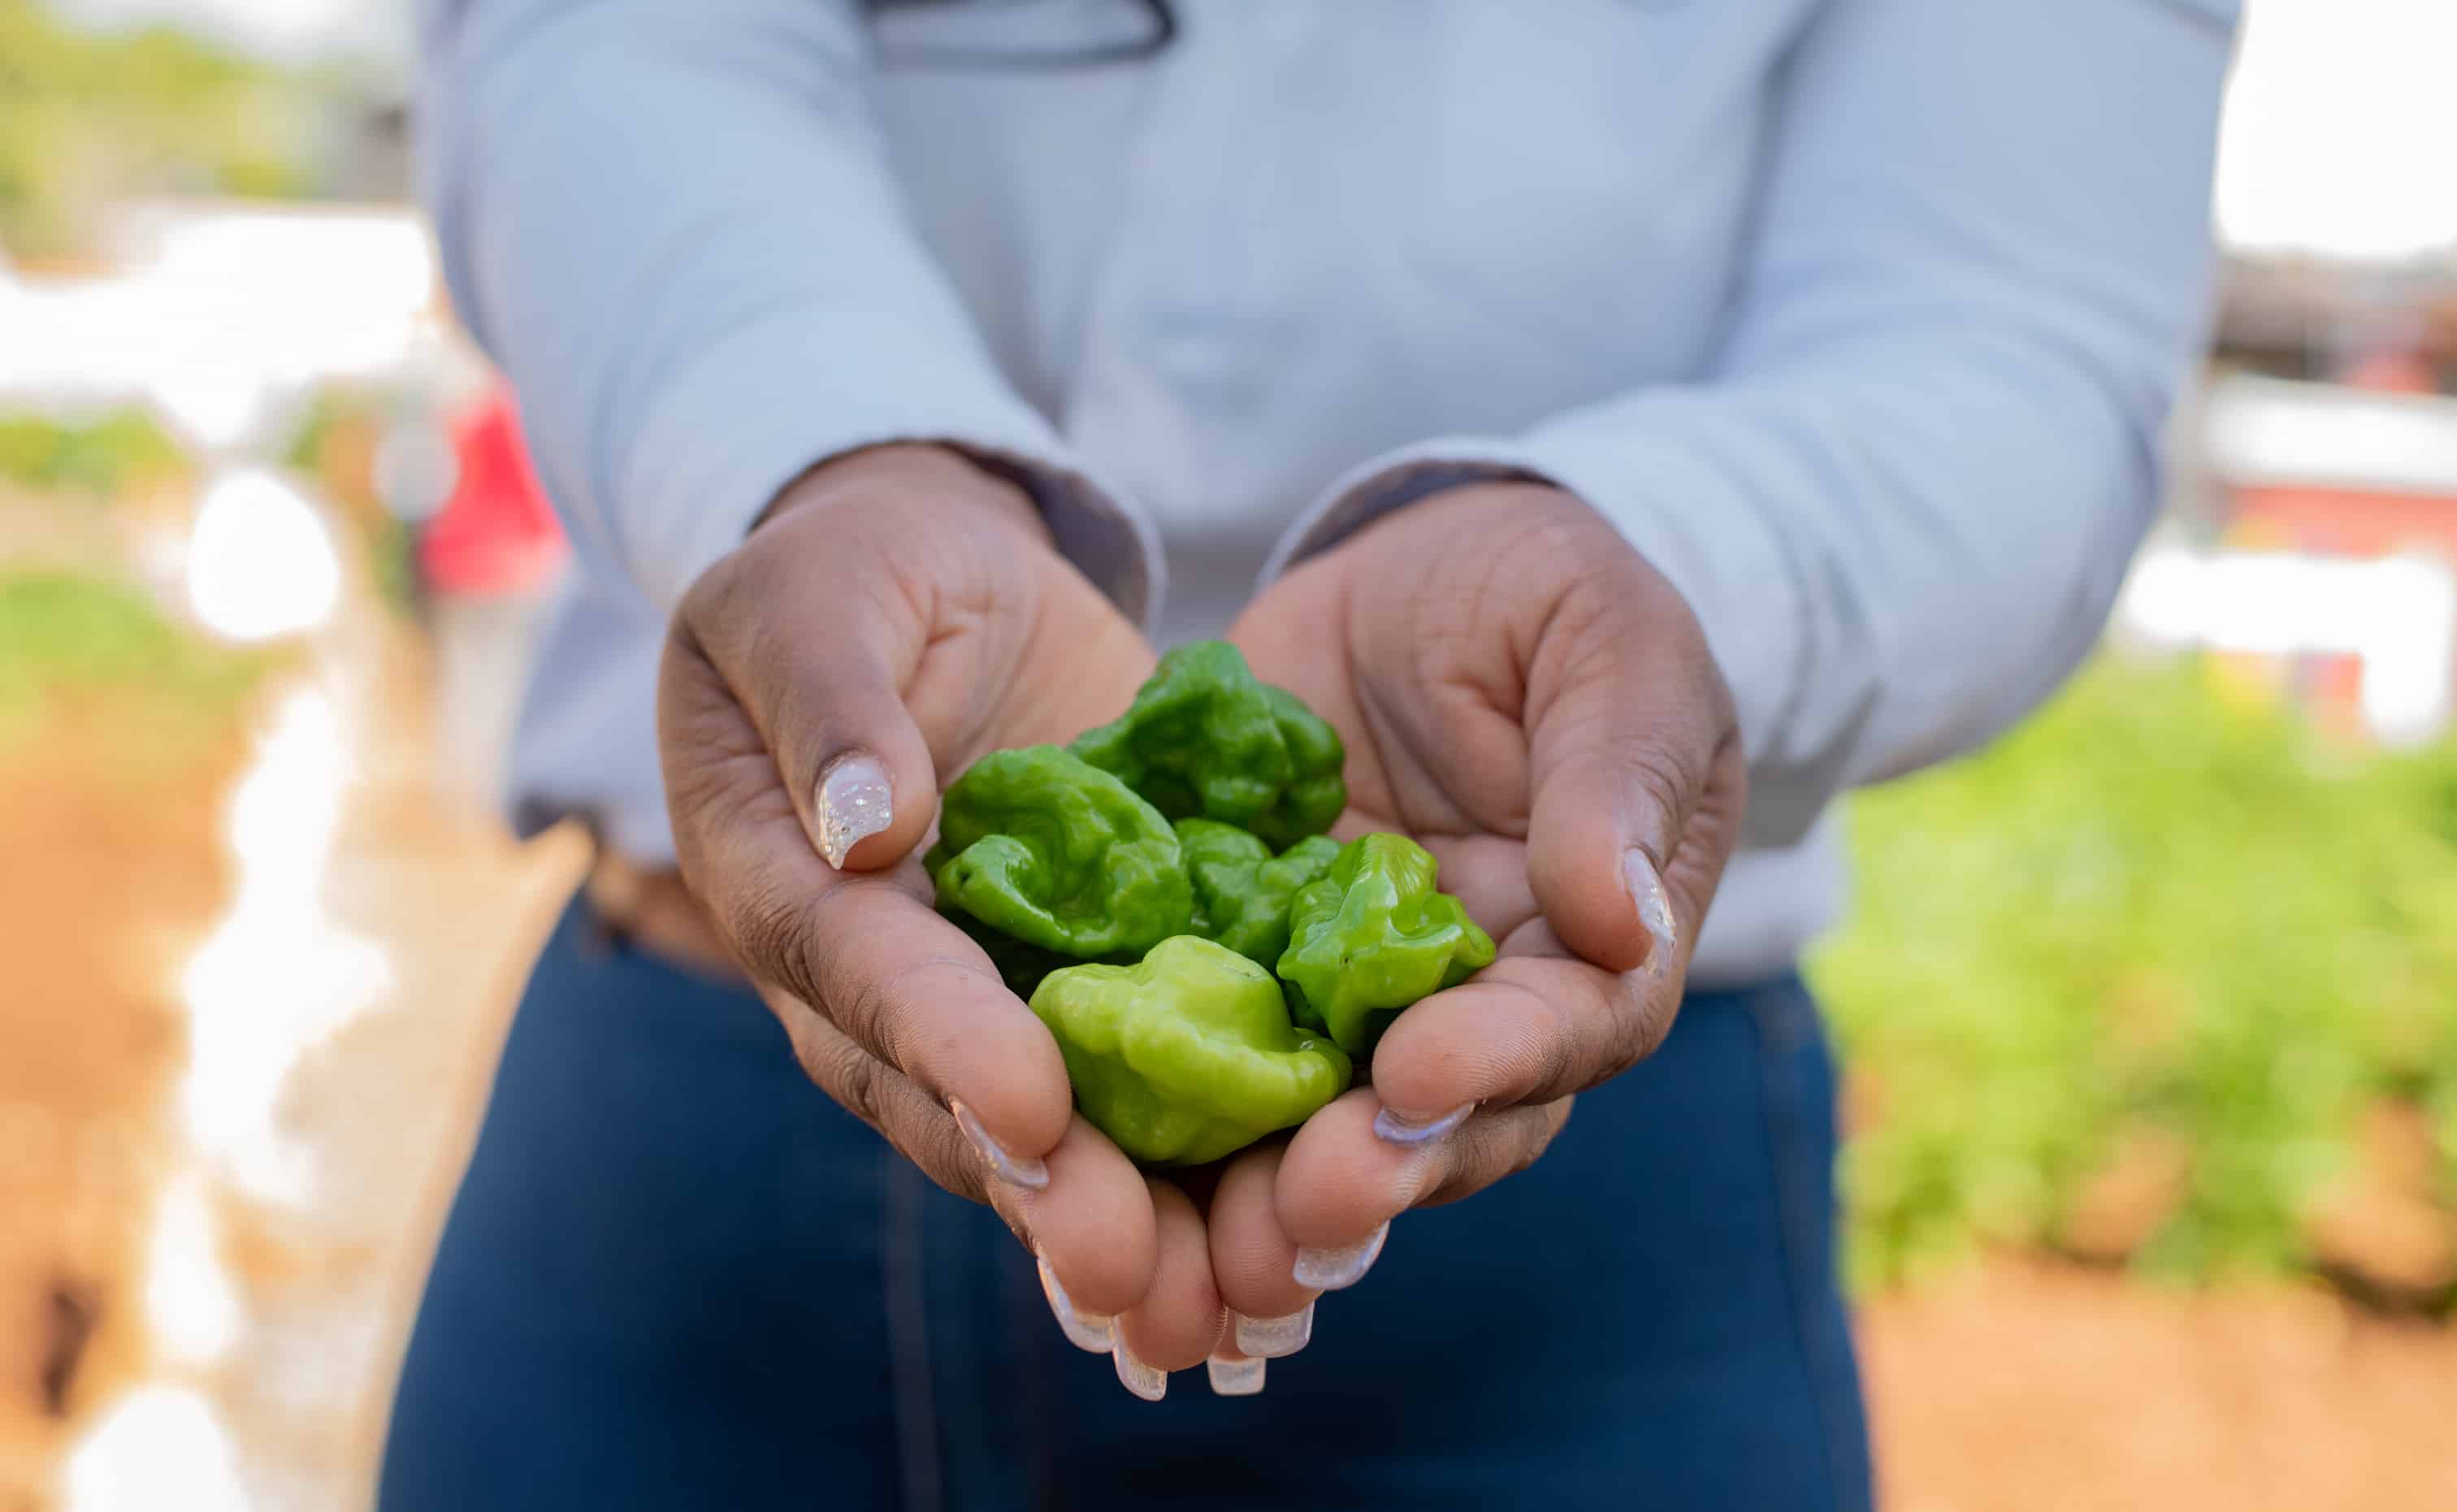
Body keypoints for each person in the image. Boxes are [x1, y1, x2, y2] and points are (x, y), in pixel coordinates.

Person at [380, 2, 2235, 1508]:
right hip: (686, 1157)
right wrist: (823, 454)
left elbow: (2013, 328)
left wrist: (1655, 563)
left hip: (1567, 1223)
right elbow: (600, 41)